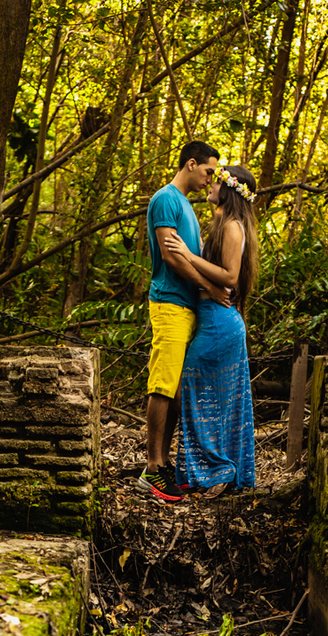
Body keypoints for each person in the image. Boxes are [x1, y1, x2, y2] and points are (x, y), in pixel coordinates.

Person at [138, 141, 231, 503]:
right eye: (208, 171)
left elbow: (189, 255)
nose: (210, 179)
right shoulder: (166, 199)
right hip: (170, 304)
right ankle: (152, 467)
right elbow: (171, 257)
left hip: (188, 308)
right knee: (162, 385)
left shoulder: (187, 207)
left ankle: (163, 463)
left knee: (177, 391)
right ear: (191, 164)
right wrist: (210, 286)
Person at [162, 164, 259, 497]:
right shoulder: (222, 224)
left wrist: (187, 255)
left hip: (219, 323)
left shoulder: (232, 227)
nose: (211, 185)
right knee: (206, 397)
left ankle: (219, 468)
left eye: (217, 181)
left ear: (230, 190)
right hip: (212, 318)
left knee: (186, 391)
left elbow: (230, 277)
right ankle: (211, 469)